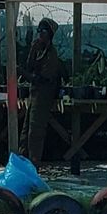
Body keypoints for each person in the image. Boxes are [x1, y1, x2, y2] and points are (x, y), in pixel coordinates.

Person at [23, 17, 66, 170]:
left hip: (44, 94)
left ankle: (33, 166)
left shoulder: (51, 54)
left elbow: (42, 78)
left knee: (35, 132)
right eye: (38, 31)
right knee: (25, 131)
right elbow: (29, 66)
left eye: (44, 31)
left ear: (50, 34)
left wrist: (23, 73)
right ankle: (23, 163)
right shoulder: (38, 49)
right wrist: (32, 50)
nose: (40, 34)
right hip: (34, 94)